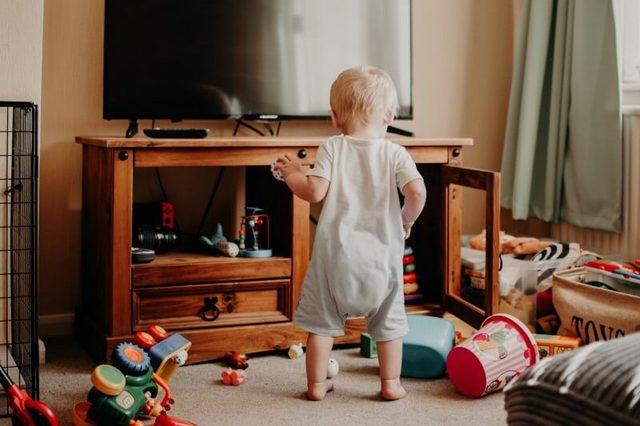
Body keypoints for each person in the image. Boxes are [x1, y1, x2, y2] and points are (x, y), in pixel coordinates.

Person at [274, 65, 427, 401]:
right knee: (388, 328)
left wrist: (292, 172)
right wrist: (406, 220)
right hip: (383, 261)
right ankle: (390, 384)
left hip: (334, 261)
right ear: (389, 114)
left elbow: (313, 192)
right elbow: (417, 193)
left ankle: (316, 386)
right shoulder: (395, 152)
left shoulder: (332, 147)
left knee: (321, 326)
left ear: (334, 117)